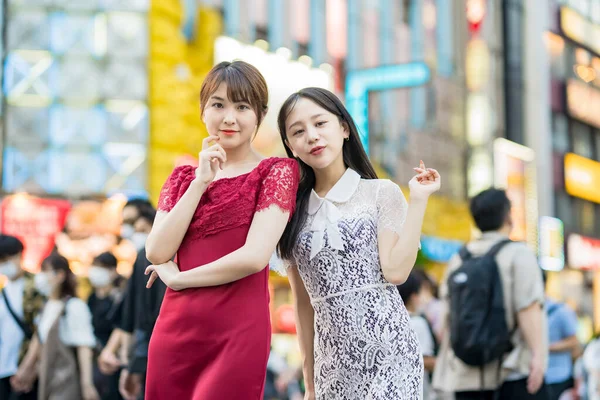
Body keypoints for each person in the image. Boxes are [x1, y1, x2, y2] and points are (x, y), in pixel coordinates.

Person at [142, 60, 299, 400]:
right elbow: (156, 251)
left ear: (260, 113)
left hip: (237, 332)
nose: (229, 118)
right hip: (175, 329)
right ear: (203, 111)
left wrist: (180, 278)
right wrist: (200, 183)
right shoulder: (183, 178)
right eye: (218, 104)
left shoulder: (277, 172)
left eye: (242, 107)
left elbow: (254, 257)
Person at [274, 87, 441, 399]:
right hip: (333, 366)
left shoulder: (380, 193)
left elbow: (395, 272)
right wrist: (309, 382)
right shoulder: (290, 213)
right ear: (290, 146)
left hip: (391, 356)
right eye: (298, 131)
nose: (311, 136)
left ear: (344, 128)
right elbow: (302, 304)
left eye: (320, 124)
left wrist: (417, 200)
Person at [432, 188, 548, 399]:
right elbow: (528, 308)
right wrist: (538, 357)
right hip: (511, 372)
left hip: (465, 376)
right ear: (507, 216)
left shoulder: (459, 258)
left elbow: (445, 320)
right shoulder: (518, 254)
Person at [12, 252, 99, 400]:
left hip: (67, 380)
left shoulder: (74, 306)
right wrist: (25, 369)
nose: (40, 277)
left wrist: (87, 384)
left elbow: (84, 346)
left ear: (60, 275)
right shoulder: (47, 306)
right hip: (48, 378)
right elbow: (38, 340)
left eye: (45, 271)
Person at [97, 199, 154, 385]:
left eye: (133, 221)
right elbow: (128, 312)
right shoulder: (141, 258)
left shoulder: (153, 255)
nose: (129, 229)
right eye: (125, 223)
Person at [118, 206, 165, 400]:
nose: (133, 232)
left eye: (140, 228)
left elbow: (143, 315)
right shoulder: (143, 255)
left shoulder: (149, 254)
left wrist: (134, 363)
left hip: (157, 349)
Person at [0, 235, 46, 400]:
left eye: (6, 259)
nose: (3, 264)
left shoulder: (36, 286)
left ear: (19, 255)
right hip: (4, 367)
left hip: (25, 368)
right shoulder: (3, 290)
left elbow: (42, 331)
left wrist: (28, 366)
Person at [87, 251, 124, 400]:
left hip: (114, 357)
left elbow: (121, 326)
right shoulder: (92, 297)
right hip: (95, 354)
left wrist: (110, 350)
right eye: (95, 267)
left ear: (113, 271)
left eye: (101, 267)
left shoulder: (118, 297)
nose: (96, 272)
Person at [398, 271, 437, 399]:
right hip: (418, 391)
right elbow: (424, 360)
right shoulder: (418, 322)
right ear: (414, 296)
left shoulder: (393, 321)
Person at [545, 290, 580, 400]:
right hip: (538, 377)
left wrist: (546, 348)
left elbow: (574, 341)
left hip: (559, 376)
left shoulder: (561, 310)